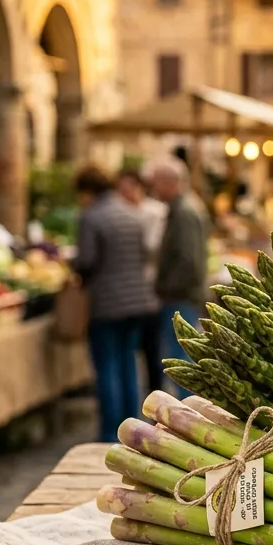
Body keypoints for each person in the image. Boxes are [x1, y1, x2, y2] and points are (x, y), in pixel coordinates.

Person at [73, 165, 158, 441]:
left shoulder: (92, 217)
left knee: (107, 365)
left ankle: (110, 433)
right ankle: (131, 425)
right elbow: (144, 254)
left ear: (87, 191)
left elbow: (86, 261)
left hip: (108, 302)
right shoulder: (132, 213)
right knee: (128, 363)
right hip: (138, 301)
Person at [151, 158, 210, 393]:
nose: (154, 189)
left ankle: (188, 419)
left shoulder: (184, 212)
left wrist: (166, 288)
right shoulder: (181, 209)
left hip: (181, 297)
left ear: (169, 183)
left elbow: (188, 260)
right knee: (182, 359)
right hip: (181, 295)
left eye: (156, 183)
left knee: (182, 364)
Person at [117, 166, 168, 396]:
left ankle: (155, 396)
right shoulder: (119, 214)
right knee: (129, 351)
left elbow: (153, 248)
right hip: (127, 292)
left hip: (150, 291)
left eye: (127, 188)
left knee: (152, 349)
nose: (124, 194)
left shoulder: (154, 212)